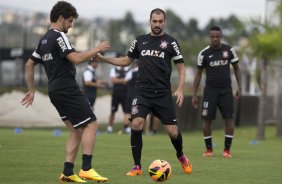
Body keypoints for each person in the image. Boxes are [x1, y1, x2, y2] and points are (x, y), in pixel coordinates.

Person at [20, 1, 110, 182]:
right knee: (91, 124)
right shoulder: (58, 35)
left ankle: (68, 172)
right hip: (66, 87)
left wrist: (32, 91)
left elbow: (29, 64)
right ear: (61, 18)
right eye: (70, 21)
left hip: (54, 89)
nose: (71, 25)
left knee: (76, 131)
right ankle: (86, 168)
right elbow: (76, 58)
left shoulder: (44, 39)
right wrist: (97, 48)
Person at [96, 8, 192, 176]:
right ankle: (137, 166)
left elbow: (182, 69)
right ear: (150, 21)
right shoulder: (140, 41)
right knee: (136, 123)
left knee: (172, 132)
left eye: (160, 21)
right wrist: (104, 59)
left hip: (163, 94)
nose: (157, 24)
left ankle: (181, 155)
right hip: (142, 92)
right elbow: (126, 61)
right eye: (154, 21)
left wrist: (180, 89)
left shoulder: (171, 42)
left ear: (164, 22)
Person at [191, 25, 241, 158]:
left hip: (226, 91)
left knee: (229, 120)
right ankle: (209, 150)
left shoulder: (229, 50)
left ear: (221, 37)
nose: (215, 39)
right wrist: (194, 94)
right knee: (207, 121)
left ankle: (227, 150)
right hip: (210, 92)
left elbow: (236, 68)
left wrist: (239, 88)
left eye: (217, 37)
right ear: (209, 37)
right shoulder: (204, 54)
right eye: (212, 37)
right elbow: (198, 74)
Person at [106, 58, 131, 134]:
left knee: (127, 112)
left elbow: (128, 80)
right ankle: (110, 127)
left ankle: (126, 128)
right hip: (116, 94)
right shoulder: (114, 70)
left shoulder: (128, 70)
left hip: (126, 94)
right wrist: (123, 81)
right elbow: (113, 80)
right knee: (113, 111)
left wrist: (118, 80)